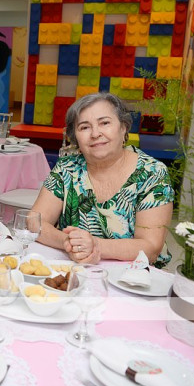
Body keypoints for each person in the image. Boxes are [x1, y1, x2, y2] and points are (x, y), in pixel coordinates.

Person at [32, 92, 174, 267]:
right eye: (84, 127)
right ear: (74, 137)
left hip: (133, 276)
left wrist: (95, 246)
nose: (95, 133)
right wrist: (70, 243)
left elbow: (150, 247)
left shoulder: (152, 173)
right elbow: (34, 221)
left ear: (123, 127)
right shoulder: (67, 168)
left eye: (104, 123)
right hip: (75, 269)